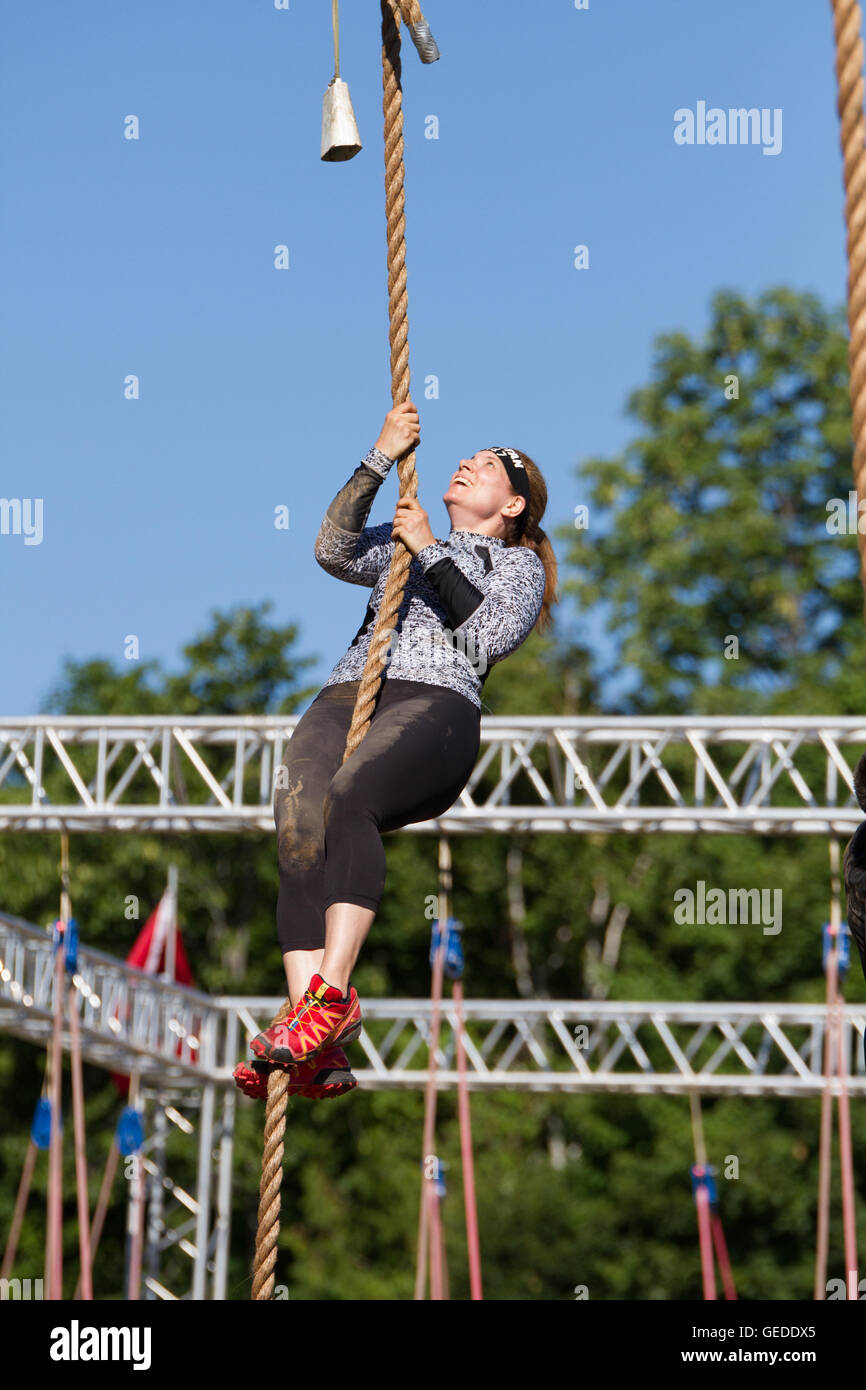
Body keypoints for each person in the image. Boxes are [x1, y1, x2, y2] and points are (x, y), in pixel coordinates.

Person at [233, 400, 558, 1100]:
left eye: (490, 465)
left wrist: (430, 549)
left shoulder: (515, 565)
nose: (469, 463)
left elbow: (487, 640)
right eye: (469, 457)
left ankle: (332, 994)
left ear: (513, 505)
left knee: (353, 796)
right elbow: (333, 549)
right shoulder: (407, 540)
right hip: (352, 690)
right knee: (297, 828)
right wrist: (379, 457)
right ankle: (308, 1032)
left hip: (435, 703)